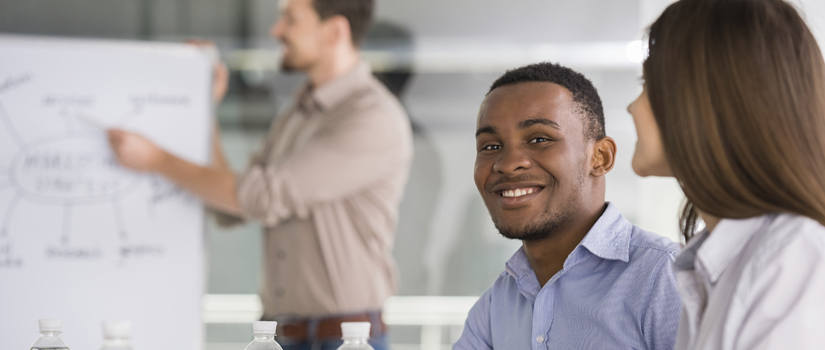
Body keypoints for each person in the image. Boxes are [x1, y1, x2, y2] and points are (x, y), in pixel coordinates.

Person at [106, 0, 412, 348]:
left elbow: (260, 196)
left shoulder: (371, 116)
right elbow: (232, 205)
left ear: (335, 31)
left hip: (344, 340)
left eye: (290, 19)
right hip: (281, 336)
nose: (276, 31)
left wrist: (156, 160)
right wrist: (204, 108)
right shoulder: (297, 112)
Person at [628, 0, 825, 348]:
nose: (632, 106)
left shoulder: (793, 262)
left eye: (647, 82)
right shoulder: (717, 269)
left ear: (699, 98)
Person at [454, 62, 681, 349]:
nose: (508, 164)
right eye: (490, 147)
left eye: (539, 139)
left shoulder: (664, 278)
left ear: (600, 157)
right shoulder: (495, 305)